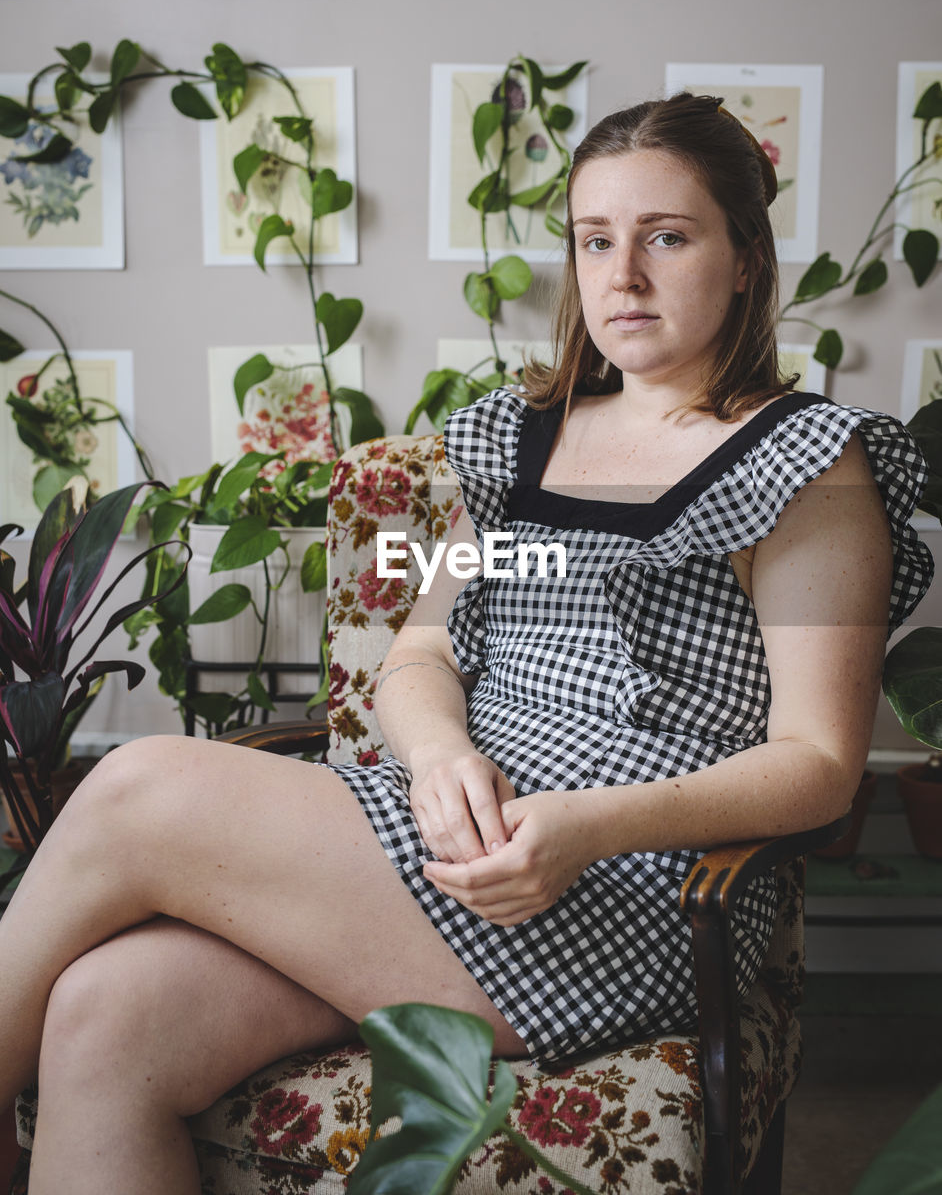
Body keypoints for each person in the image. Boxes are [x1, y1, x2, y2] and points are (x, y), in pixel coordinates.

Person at [0, 92, 932, 1193]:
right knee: (108, 1013)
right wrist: (442, 758)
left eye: (667, 237)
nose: (622, 274)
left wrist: (584, 826)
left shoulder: (809, 464)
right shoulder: (514, 438)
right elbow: (418, 655)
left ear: (744, 260)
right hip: (444, 836)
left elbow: (820, 766)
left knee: (140, 781)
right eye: (596, 239)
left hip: (626, 887)